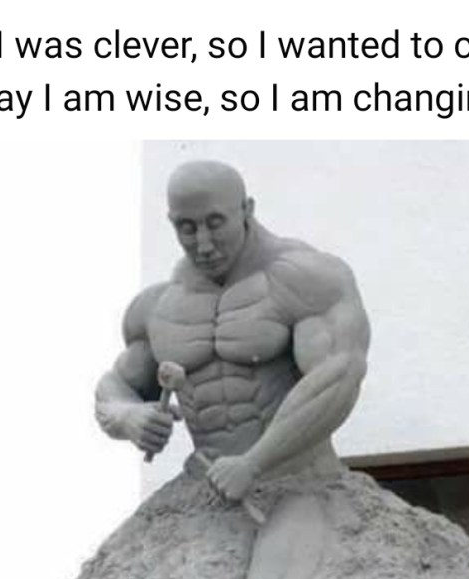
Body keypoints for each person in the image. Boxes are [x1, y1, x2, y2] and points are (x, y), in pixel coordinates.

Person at [95, 160, 370, 504]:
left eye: (215, 223)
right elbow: (115, 387)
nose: (204, 244)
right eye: (187, 228)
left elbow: (339, 374)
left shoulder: (306, 277)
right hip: (203, 489)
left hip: (298, 484)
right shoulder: (157, 306)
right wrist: (129, 416)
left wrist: (253, 463)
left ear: (246, 209)